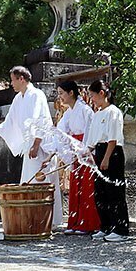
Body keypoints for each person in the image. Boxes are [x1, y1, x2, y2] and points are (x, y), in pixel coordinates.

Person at [0, 66, 63, 226]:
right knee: (29, 182)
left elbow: (39, 120)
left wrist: (36, 144)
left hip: (42, 145)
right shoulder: (19, 99)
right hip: (30, 144)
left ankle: (44, 221)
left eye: (12, 80)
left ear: (21, 79)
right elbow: (9, 122)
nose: (11, 84)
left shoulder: (37, 95)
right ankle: (34, 220)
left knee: (40, 182)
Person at [49, 80, 100, 235]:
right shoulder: (69, 113)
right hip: (75, 151)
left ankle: (87, 224)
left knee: (86, 187)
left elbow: (90, 132)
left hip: (85, 151)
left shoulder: (85, 110)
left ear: (71, 93)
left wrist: (83, 151)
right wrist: (55, 151)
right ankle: (75, 221)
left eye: (61, 93)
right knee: (75, 187)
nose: (60, 98)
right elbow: (61, 134)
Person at [85, 80, 130, 242]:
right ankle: (106, 226)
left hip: (112, 153)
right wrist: (83, 154)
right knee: (100, 192)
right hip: (100, 151)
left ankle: (121, 229)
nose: (92, 100)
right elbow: (91, 142)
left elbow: (113, 139)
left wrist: (106, 159)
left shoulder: (113, 112)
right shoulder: (97, 114)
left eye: (93, 96)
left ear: (102, 94)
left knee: (114, 192)